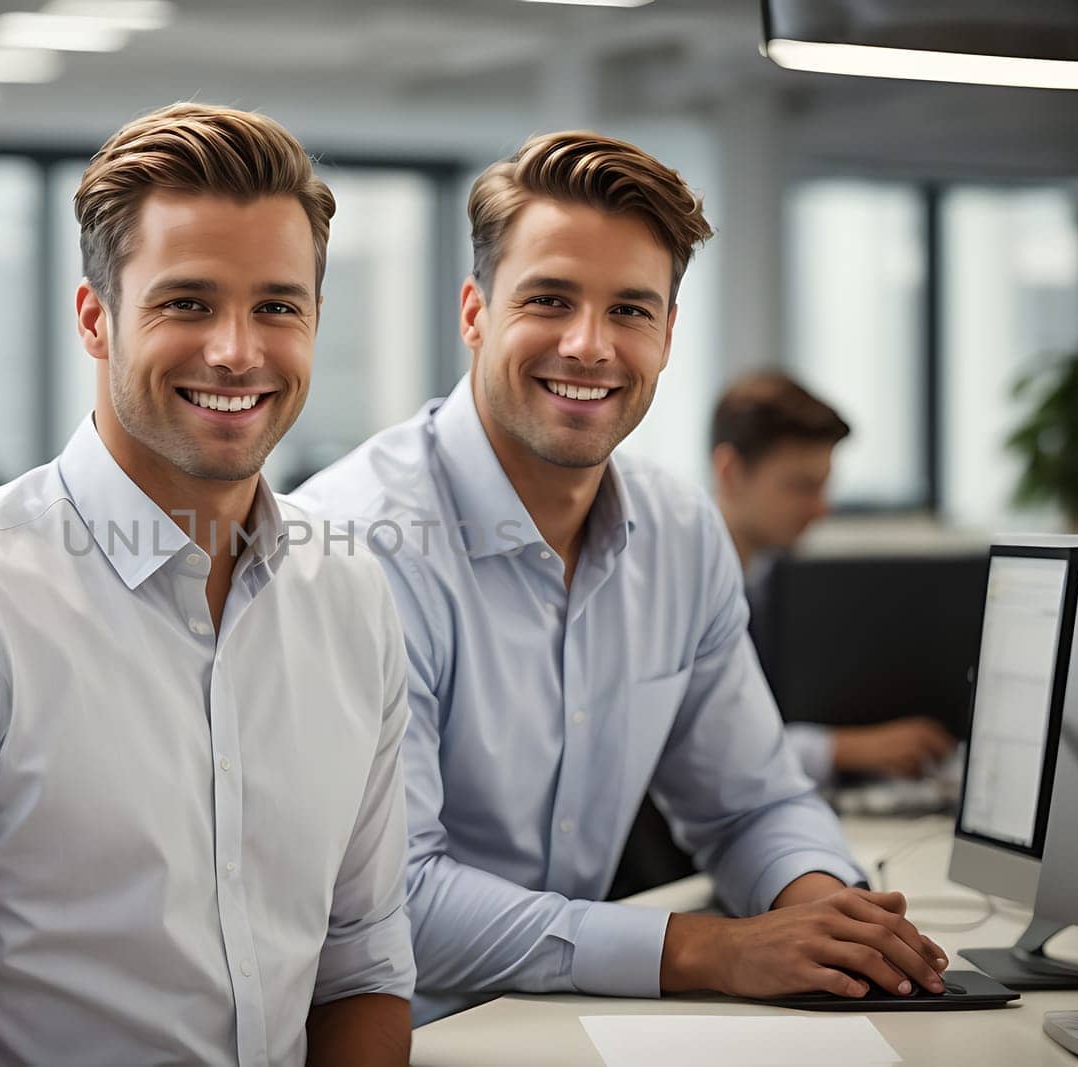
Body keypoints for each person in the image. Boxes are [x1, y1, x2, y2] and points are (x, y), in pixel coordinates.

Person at [0, 103, 414, 1067]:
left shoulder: (352, 595)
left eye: (277, 305)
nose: (238, 350)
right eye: (187, 302)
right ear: (95, 318)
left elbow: (360, 969)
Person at [291, 131, 950, 1025]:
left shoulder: (680, 537)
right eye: (550, 299)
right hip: (408, 1035)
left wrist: (824, 913)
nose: (590, 345)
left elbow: (752, 801)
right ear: (475, 312)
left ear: (670, 333)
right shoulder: (356, 541)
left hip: (577, 1020)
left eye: (632, 310)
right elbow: (386, 898)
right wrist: (709, 947)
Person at [711, 372, 958, 783]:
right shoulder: (679, 590)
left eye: (824, 487)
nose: (820, 509)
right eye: (801, 486)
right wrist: (847, 749)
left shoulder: (768, 584)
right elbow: (702, 748)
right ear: (731, 472)